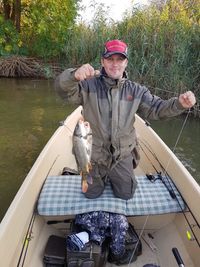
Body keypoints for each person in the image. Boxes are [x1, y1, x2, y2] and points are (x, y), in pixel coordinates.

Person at [55, 39, 196, 201]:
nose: (115, 64)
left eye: (119, 59)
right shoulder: (88, 85)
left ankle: (114, 177)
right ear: (102, 61)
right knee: (90, 194)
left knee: (126, 194)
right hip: (93, 157)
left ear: (126, 62)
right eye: (110, 59)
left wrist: (179, 104)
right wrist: (73, 76)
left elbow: (157, 109)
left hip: (122, 157)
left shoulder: (136, 90)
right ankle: (94, 176)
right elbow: (63, 91)